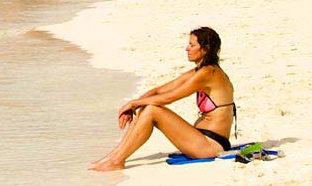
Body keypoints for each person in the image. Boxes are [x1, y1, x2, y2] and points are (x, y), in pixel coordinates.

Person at [89, 27, 236, 171]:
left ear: (206, 48)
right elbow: (159, 91)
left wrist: (133, 103)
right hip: (201, 140)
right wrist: (133, 107)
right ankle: (113, 157)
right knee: (147, 107)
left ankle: (117, 160)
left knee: (152, 110)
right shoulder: (199, 71)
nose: (187, 49)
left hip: (210, 146)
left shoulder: (209, 73)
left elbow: (169, 98)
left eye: (192, 45)